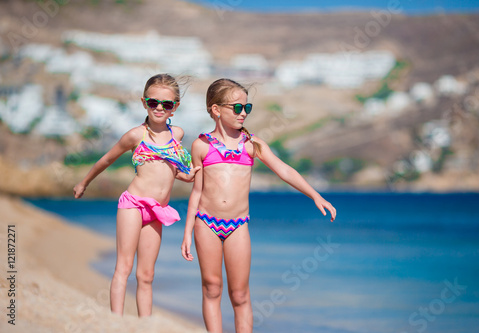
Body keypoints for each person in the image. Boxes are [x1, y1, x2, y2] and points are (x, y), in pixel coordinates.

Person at [181, 78, 336, 332]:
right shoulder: (201, 145)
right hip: (205, 222)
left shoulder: (253, 144)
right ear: (216, 110)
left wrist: (315, 195)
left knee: (240, 295)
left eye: (247, 108)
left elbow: (284, 171)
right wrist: (187, 232)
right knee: (211, 288)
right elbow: (196, 191)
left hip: (238, 225)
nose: (243, 113)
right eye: (237, 108)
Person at [74, 73, 198, 317]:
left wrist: (189, 175)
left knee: (147, 274)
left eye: (167, 104)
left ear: (175, 108)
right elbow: (106, 159)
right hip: (132, 205)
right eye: (153, 102)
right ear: (144, 103)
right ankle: (116, 322)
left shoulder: (178, 135)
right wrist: (84, 182)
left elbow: (171, 171)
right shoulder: (135, 135)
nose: (159, 108)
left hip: (157, 211)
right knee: (124, 267)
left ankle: (145, 326)